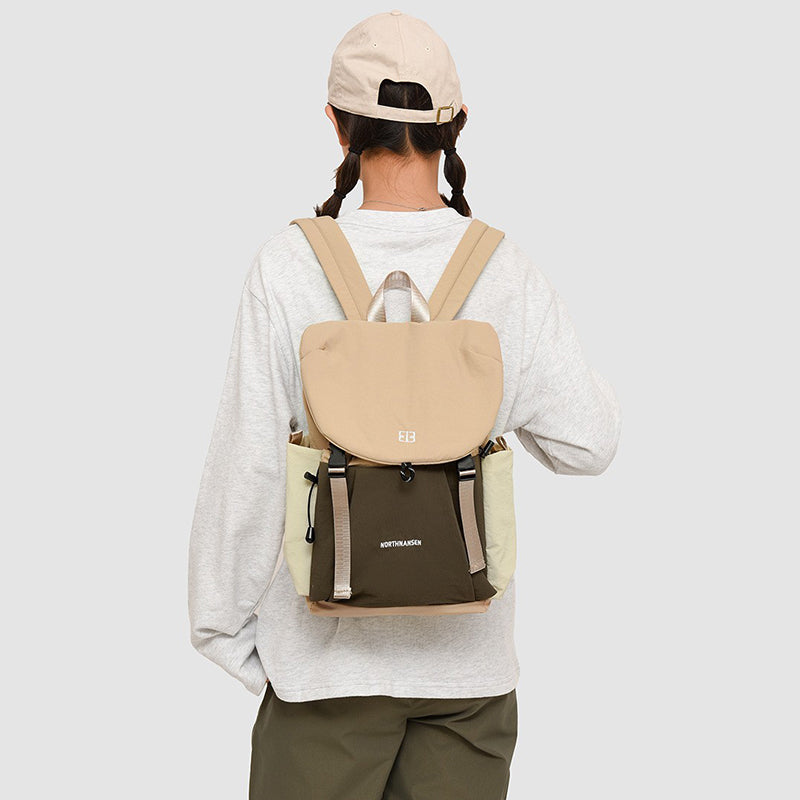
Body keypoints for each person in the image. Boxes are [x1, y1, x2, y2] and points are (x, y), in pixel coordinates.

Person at [188, 10, 622, 799]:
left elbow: (248, 467)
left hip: (323, 678)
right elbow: (589, 441)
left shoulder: (288, 266)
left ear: (336, 123)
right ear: (456, 124)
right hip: (470, 686)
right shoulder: (506, 270)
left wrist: (228, 633)